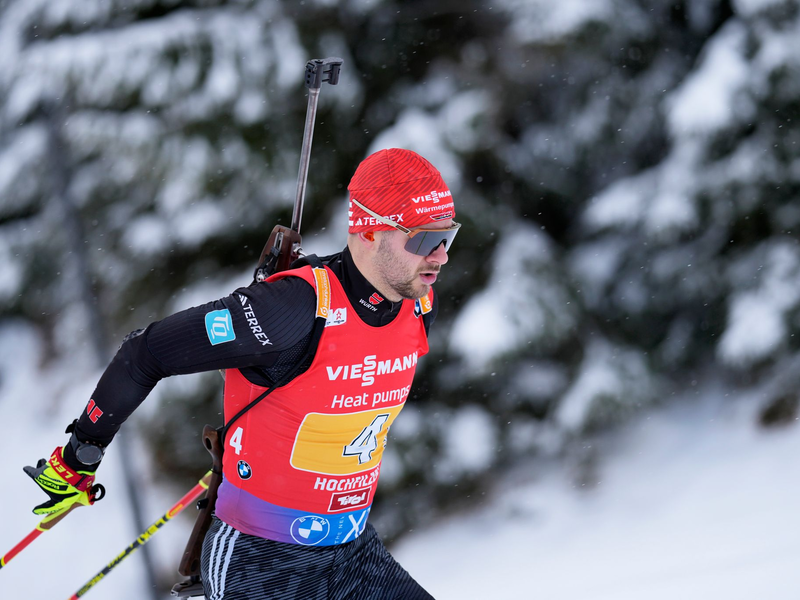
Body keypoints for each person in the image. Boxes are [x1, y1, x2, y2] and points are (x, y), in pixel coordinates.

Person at [24, 148, 459, 599]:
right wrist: (81, 455)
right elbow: (146, 352)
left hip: (352, 554)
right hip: (261, 561)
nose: (441, 256)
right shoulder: (292, 308)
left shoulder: (418, 303)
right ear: (369, 230)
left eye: (448, 237)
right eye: (424, 240)